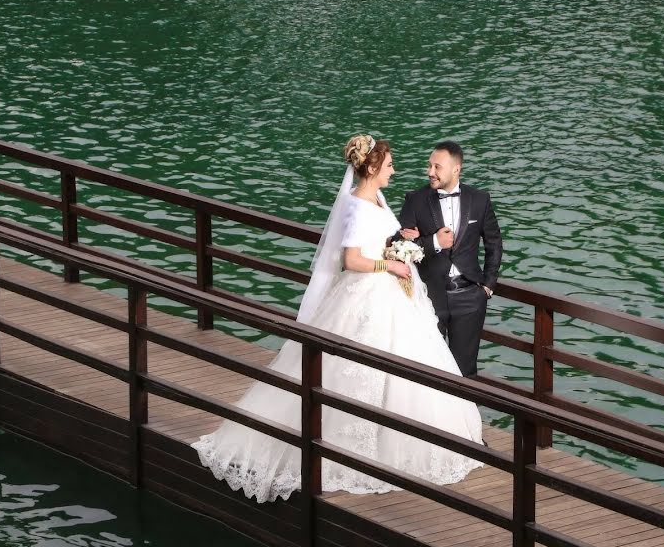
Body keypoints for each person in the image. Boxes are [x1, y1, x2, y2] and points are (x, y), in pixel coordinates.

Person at [192, 135, 483, 503]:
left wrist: (402, 239)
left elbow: (380, 238)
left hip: (391, 294)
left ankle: (394, 440)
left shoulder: (375, 197)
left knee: (400, 368)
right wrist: (389, 262)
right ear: (373, 168)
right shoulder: (357, 204)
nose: (394, 171)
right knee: (358, 369)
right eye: (390, 165)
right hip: (369, 293)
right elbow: (351, 260)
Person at [395, 141, 503, 377]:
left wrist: (487, 286)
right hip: (429, 295)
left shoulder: (480, 200)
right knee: (427, 369)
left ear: (456, 169)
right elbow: (397, 244)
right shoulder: (415, 199)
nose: (430, 172)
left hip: (470, 298)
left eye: (437, 167)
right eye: (429, 166)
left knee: (465, 372)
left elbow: (494, 243)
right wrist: (432, 241)